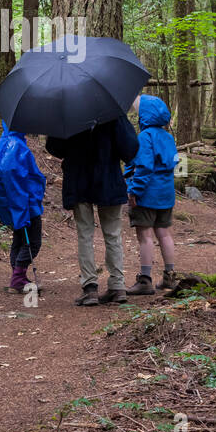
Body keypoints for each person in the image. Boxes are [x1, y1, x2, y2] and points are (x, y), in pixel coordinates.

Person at [46, 115, 139, 306]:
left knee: (85, 234)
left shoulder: (68, 112)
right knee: (112, 234)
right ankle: (117, 286)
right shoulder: (113, 113)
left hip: (79, 180)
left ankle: (90, 288)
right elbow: (130, 149)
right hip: (109, 180)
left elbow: (54, 147)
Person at [123, 95, 181, 295]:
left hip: (147, 195)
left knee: (145, 236)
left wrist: (134, 191)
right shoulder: (168, 137)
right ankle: (170, 276)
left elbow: (144, 168)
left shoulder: (145, 137)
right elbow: (174, 163)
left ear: (145, 116)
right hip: (166, 194)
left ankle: (145, 280)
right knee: (164, 233)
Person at [0, 124, 47, 293]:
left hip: (18, 206)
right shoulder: (16, 146)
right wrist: (21, 210)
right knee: (33, 242)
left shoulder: (5, 142)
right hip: (26, 206)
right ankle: (18, 278)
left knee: (19, 239)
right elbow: (14, 179)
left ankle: (18, 276)